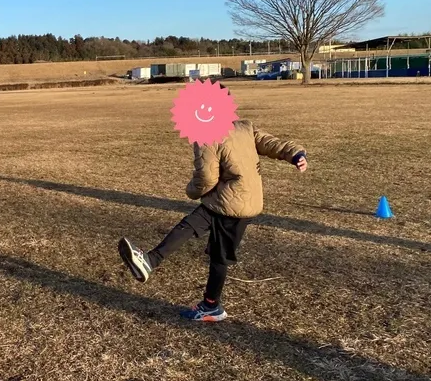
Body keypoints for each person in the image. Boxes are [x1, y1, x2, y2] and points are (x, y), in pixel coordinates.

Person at [118, 119, 308, 322]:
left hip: (231, 204)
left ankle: (211, 305)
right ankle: (150, 261)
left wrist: (191, 191)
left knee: (218, 254)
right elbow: (273, 143)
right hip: (243, 199)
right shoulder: (244, 126)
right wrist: (296, 154)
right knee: (193, 225)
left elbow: (206, 179)